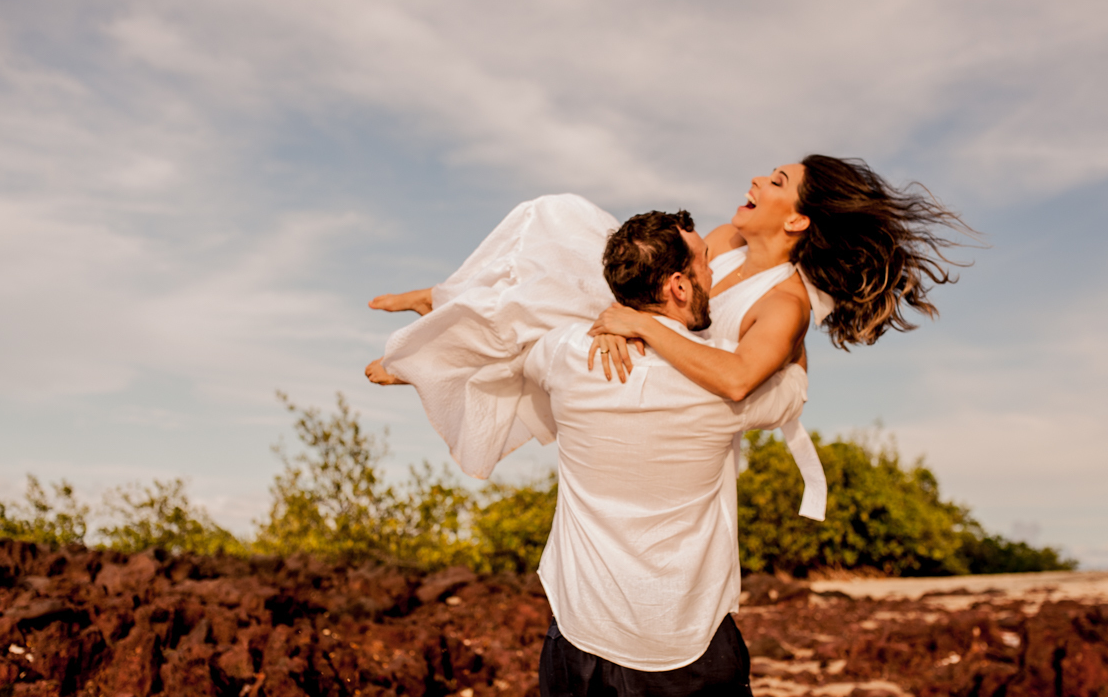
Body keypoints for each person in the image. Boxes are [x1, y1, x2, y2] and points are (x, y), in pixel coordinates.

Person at [366, 156, 967, 502]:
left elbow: (736, 380)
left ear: (799, 220)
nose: (758, 180)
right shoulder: (731, 238)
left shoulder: (785, 306)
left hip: (680, 397)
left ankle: (436, 349)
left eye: (777, 183)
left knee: (551, 323)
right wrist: (621, 320)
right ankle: (448, 311)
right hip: (656, 327)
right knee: (560, 222)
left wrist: (639, 331)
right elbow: (672, 281)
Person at [522, 210, 807, 697]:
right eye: (704, 263)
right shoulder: (728, 389)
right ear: (678, 285)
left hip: (577, 641)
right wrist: (789, 303)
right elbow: (793, 384)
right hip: (687, 649)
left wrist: (610, 323)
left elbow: (512, 341)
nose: (716, 277)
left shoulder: (563, 352)